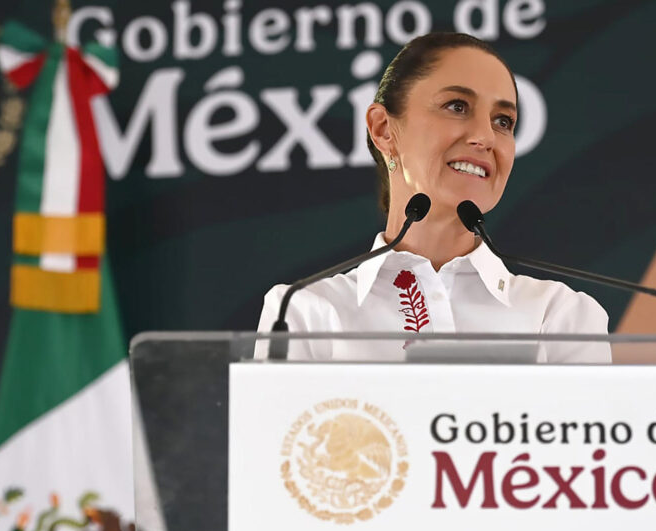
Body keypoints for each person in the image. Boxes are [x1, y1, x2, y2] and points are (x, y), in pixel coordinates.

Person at [258, 32, 609, 362]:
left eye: (503, 121)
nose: (485, 137)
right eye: (457, 106)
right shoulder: (303, 311)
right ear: (383, 129)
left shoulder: (559, 315)